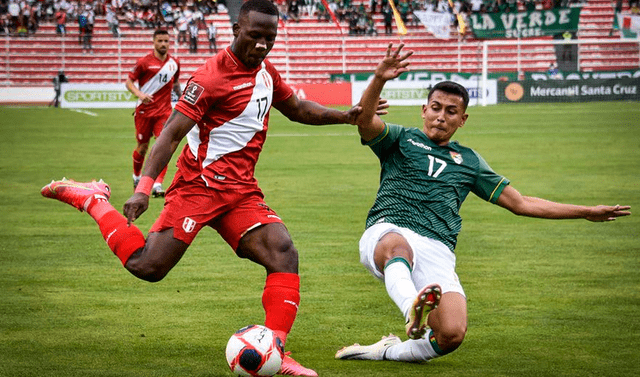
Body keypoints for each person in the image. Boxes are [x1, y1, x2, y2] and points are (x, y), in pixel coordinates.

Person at [40, 0, 385, 375]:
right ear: (237, 30)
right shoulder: (208, 79)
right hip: (198, 188)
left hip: (240, 191)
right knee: (147, 266)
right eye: (254, 36)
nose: (262, 45)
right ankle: (92, 199)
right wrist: (144, 187)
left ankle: (275, 351)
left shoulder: (266, 70)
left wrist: (346, 116)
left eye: (269, 38)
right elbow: (170, 135)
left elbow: (298, 108)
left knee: (283, 253)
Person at [334, 44, 631, 363]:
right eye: (436, 107)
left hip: (437, 247)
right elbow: (364, 121)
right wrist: (379, 77)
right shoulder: (400, 139)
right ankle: (411, 308)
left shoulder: (470, 162)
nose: (441, 116)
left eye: (450, 111)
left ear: (462, 119)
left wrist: (586, 212)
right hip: (389, 231)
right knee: (397, 245)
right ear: (424, 110)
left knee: (451, 334)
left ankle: (385, 351)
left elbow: (521, 202)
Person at [125, 29, 182, 197]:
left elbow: (176, 83)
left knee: (163, 146)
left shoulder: (174, 63)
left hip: (164, 112)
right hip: (144, 112)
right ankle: (136, 176)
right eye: (160, 41)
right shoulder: (144, 62)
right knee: (142, 148)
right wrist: (140, 95)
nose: (163, 44)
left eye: (166, 41)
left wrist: (182, 100)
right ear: (154, 42)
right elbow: (129, 82)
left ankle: (157, 184)